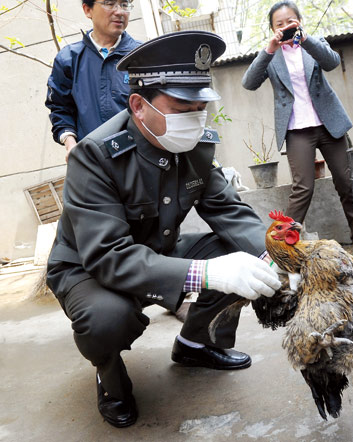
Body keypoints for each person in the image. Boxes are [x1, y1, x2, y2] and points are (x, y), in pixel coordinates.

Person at [45, 31, 282, 428]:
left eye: (200, 106)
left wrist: (277, 259)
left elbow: (230, 213)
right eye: (181, 106)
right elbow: (109, 255)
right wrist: (205, 273)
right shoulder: (95, 156)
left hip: (156, 251)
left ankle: (194, 343)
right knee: (106, 319)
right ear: (139, 105)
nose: (194, 117)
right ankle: (110, 378)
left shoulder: (195, 147)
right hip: (89, 268)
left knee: (238, 255)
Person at [242, 0, 353, 250]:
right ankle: (283, 250)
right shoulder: (272, 57)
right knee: (302, 188)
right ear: (272, 28)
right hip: (297, 131)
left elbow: (332, 62)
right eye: (279, 24)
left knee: (347, 184)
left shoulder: (313, 45)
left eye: (290, 22)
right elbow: (249, 83)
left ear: (300, 22)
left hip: (330, 125)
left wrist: (305, 39)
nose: (285, 27)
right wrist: (269, 49)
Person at [45, 0, 141, 161]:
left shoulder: (143, 56)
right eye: (110, 4)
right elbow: (60, 108)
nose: (119, 11)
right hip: (92, 162)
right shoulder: (68, 59)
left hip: (139, 159)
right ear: (87, 10)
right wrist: (71, 145)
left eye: (124, 4)